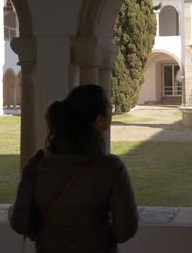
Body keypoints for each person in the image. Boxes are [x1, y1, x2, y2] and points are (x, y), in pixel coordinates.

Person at [9, 84, 139, 253]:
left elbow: (20, 222)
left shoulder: (37, 162)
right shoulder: (111, 168)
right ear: (99, 121)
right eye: (109, 105)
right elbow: (125, 230)